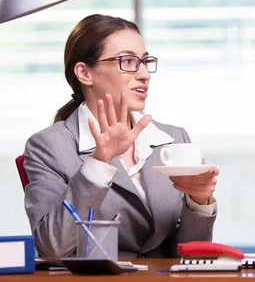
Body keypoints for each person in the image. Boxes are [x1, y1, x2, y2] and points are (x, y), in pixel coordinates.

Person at [23, 14, 218, 258]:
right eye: (128, 61)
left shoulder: (173, 139)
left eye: (145, 61)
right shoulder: (49, 146)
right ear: (85, 73)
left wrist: (199, 203)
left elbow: (191, 257)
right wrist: (99, 162)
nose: (145, 74)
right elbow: (52, 247)